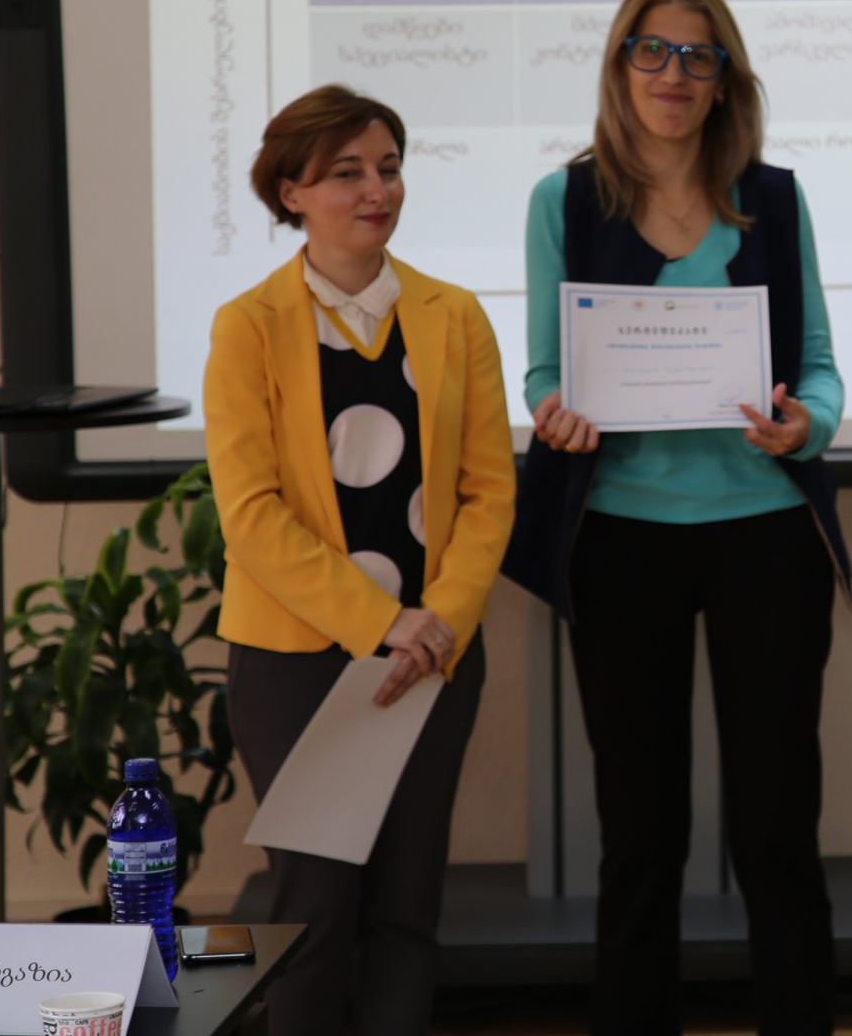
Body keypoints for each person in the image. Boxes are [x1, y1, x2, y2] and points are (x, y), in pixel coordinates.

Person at [504, 0, 850, 1036]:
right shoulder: (564, 201)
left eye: (698, 55)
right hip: (620, 543)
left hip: (765, 538)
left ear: (724, 78)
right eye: (651, 50)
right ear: (620, 66)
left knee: (777, 831)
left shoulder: (775, 198)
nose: (673, 74)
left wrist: (805, 426)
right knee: (641, 836)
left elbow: (820, 368)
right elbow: (545, 370)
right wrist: (557, 410)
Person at [204, 84, 516, 1036]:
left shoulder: (454, 315)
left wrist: (437, 623)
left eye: (387, 167)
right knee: (314, 914)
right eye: (346, 172)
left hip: (434, 654)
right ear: (291, 192)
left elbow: (489, 491)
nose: (376, 190)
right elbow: (251, 514)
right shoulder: (249, 324)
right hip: (297, 661)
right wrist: (385, 621)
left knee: (405, 912)